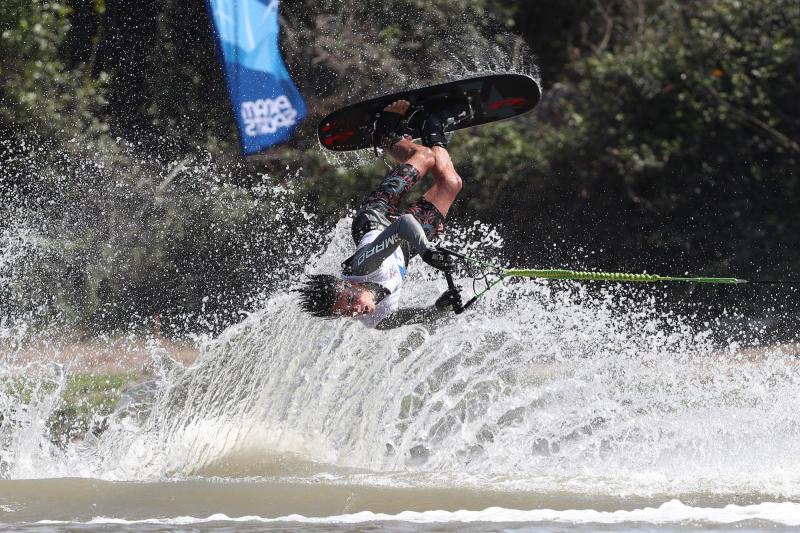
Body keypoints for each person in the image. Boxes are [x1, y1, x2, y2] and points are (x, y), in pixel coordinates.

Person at [296, 99, 465, 329]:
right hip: (405, 247)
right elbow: (417, 317)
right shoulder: (375, 319)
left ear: (350, 285)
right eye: (347, 314)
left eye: (349, 301)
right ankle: (432, 126)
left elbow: (403, 224)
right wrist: (439, 309)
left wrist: (426, 251)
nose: (355, 311)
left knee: (425, 157)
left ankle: (385, 134)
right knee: (451, 183)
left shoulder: (364, 266)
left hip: (376, 216)